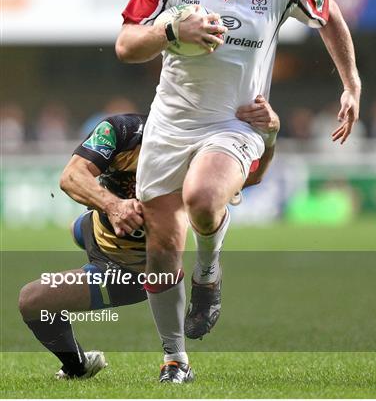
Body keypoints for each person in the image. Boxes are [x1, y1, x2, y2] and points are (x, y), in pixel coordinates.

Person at [115, 0, 361, 383]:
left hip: (237, 121)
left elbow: (329, 12)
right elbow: (124, 45)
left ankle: (208, 273)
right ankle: (174, 360)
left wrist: (351, 83)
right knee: (162, 246)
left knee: (203, 198)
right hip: (169, 123)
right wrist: (170, 33)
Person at [18, 105, 279, 380]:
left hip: (125, 271)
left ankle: (77, 366)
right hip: (96, 230)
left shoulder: (200, 153)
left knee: (32, 300)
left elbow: (253, 177)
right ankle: (79, 364)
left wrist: (269, 139)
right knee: (77, 228)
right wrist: (112, 205)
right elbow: (71, 176)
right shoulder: (120, 130)